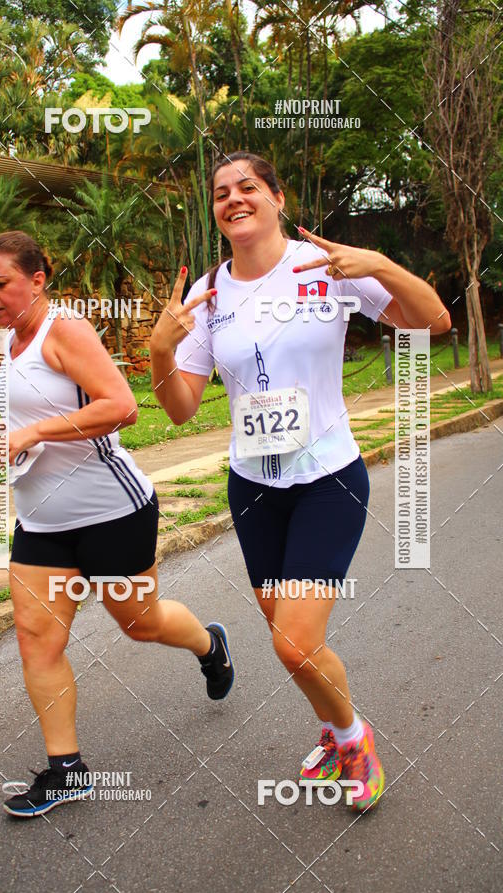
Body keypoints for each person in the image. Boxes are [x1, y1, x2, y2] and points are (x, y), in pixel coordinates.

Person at [149, 152, 450, 811]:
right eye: (222, 192)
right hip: (254, 489)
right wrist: (160, 352)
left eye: (248, 187)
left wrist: (381, 266)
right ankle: (330, 728)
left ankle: (354, 737)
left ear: (277, 197)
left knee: (293, 642)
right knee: (291, 643)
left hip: (327, 480)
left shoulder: (325, 266)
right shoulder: (208, 295)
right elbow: (179, 408)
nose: (234, 199)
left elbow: (434, 323)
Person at [0, 230, 234, 818]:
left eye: (1, 282)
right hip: (40, 520)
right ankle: (67, 770)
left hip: (110, 512)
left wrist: (35, 433)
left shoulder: (63, 330)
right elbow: (14, 418)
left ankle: (209, 643)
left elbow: (121, 405)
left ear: (37, 280)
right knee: (37, 638)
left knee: (140, 624)